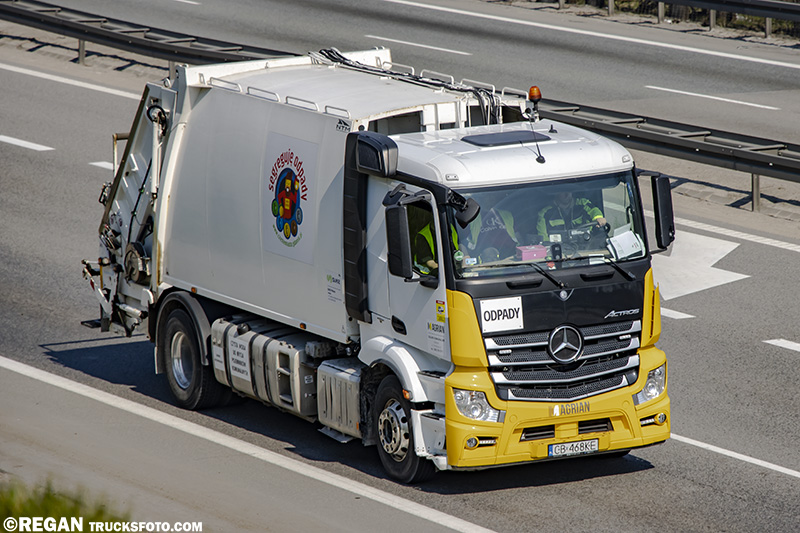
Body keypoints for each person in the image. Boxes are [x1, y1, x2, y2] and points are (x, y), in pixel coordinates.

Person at [537, 191, 606, 241]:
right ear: (556, 193)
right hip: (560, 251)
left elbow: (593, 210)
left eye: (569, 191)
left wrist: (598, 218)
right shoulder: (545, 213)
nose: (567, 195)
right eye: (563, 192)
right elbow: (543, 238)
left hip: (586, 246)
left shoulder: (583, 204)